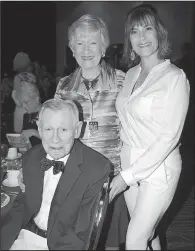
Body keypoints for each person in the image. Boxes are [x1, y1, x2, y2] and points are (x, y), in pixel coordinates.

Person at [109, 4, 190, 250]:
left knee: (135, 239)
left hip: (159, 170)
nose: (142, 37)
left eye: (148, 28)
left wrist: (127, 177)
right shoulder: (130, 74)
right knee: (148, 233)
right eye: (134, 31)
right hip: (129, 163)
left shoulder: (175, 77)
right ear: (129, 39)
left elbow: (169, 136)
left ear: (159, 33)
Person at [55, 14, 129, 249]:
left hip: (111, 177)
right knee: (78, 240)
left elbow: (133, 131)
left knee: (110, 241)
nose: (86, 50)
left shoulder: (121, 81)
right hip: (75, 178)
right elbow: (57, 133)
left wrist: (127, 175)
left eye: (93, 42)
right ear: (72, 49)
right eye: (80, 43)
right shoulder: (64, 86)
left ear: (104, 46)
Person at [1, 98, 110, 250]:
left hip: (61, 243)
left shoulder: (96, 168)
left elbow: (82, 233)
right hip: (26, 233)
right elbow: (22, 205)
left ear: (77, 129)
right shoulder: (31, 157)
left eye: (63, 130)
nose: (55, 139)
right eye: (48, 129)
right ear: (39, 129)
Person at [13, 81, 42, 147]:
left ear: (37, 98)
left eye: (26, 102)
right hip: (30, 154)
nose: (23, 106)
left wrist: (34, 132)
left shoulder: (48, 113)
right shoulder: (26, 116)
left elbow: (55, 140)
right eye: (21, 103)